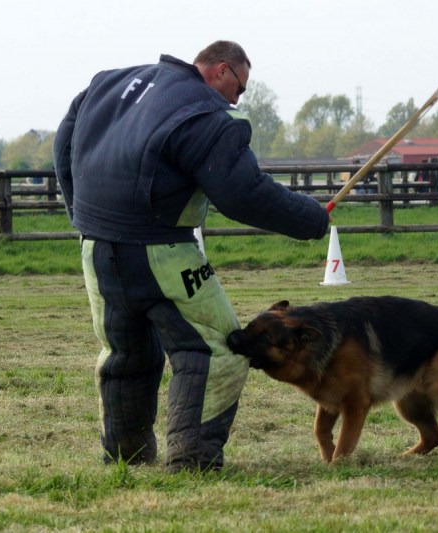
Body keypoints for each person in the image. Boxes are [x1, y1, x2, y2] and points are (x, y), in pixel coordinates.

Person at [53, 41, 329, 473]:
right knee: (217, 350)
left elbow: (64, 144)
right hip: (163, 251)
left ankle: (127, 457)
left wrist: (80, 215)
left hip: (95, 248)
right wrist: (310, 219)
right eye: (239, 87)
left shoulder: (108, 84)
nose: (237, 100)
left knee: (125, 353)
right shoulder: (207, 114)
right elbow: (241, 194)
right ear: (221, 70)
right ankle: (192, 458)